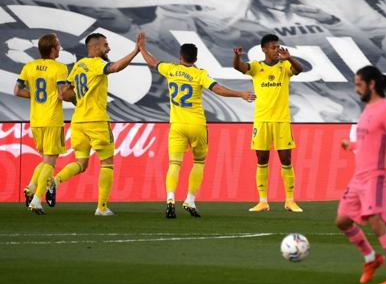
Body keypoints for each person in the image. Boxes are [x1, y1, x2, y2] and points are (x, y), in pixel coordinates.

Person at [137, 32, 255, 218]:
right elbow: (219, 89)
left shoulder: (170, 69)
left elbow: (153, 62)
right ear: (196, 58)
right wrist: (240, 94)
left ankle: (170, 199)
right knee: (199, 162)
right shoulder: (199, 74)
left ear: (180, 57)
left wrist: (141, 48)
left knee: (174, 163)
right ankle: (190, 200)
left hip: (177, 125)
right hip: (197, 124)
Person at [47, 32, 142, 216]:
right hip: (97, 121)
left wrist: (80, 100)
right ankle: (102, 207)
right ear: (95, 47)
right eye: (106, 45)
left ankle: (56, 180)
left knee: (81, 163)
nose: (108, 48)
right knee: (107, 164)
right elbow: (115, 68)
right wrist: (135, 51)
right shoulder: (97, 64)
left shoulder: (78, 66)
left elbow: (64, 93)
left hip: (78, 121)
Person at [336, 65, 386, 284]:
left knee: (376, 223)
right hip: (359, 177)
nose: (356, 89)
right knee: (342, 221)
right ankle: (371, 258)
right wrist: (352, 145)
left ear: (372, 84)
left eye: (359, 84)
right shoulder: (368, 109)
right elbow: (371, 141)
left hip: (376, 177)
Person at [233, 34, 304, 212]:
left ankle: (290, 200)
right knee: (262, 159)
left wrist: (290, 58)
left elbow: (300, 69)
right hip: (262, 120)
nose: (276, 50)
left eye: (277, 46)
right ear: (264, 49)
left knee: (286, 160)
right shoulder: (256, 67)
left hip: (281, 120)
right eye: (272, 47)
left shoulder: (285, 66)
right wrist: (237, 57)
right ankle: (263, 201)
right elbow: (239, 67)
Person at [14, 33, 68, 214]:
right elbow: (61, 94)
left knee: (45, 159)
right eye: (58, 45)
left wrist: (36, 96)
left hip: (36, 120)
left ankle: (30, 188)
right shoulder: (59, 68)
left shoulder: (29, 66)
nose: (59, 48)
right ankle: (36, 200)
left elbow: (17, 91)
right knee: (50, 163)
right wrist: (74, 94)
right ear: (52, 48)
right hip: (52, 119)